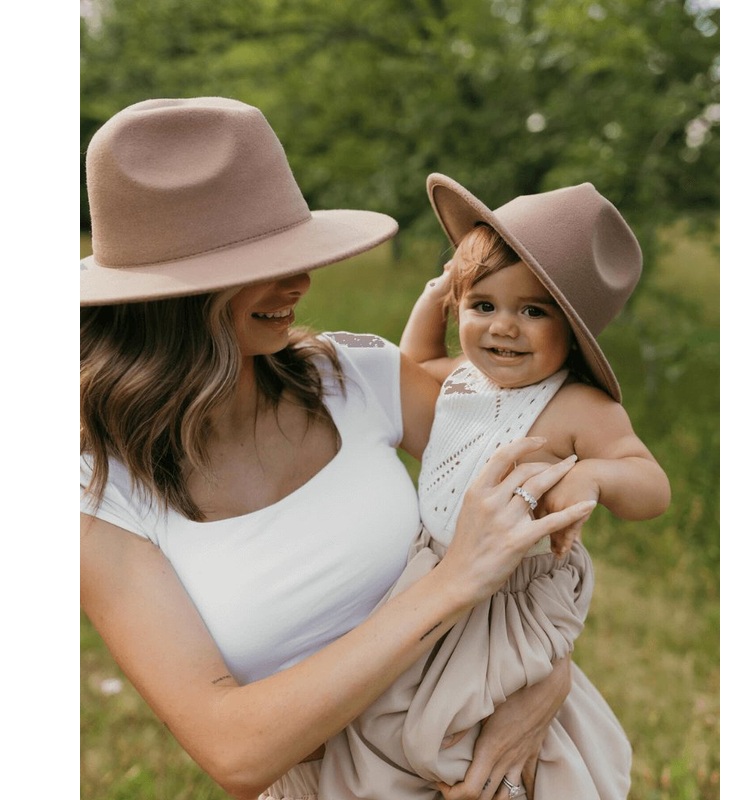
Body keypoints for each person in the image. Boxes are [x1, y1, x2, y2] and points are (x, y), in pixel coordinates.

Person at [80, 97, 600, 800]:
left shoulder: (356, 378)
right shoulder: (98, 494)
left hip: (487, 759)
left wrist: (545, 669)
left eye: (297, 253)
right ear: (172, 297)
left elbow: (540, 476)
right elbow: (233, 751)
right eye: (264, 264)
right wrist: (451, 586)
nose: (301, 283)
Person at [319, 175, 671, 800]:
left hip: (508, 597)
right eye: (482, 305)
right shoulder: (461, 379)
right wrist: (434, 296)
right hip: (435, 572)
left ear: (575, 327)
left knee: (465, 726)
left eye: (532, 310)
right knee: (388, 713)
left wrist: (594, 474)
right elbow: (414, 364)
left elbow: (650, 484)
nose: (502, 328)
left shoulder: (576, 406)